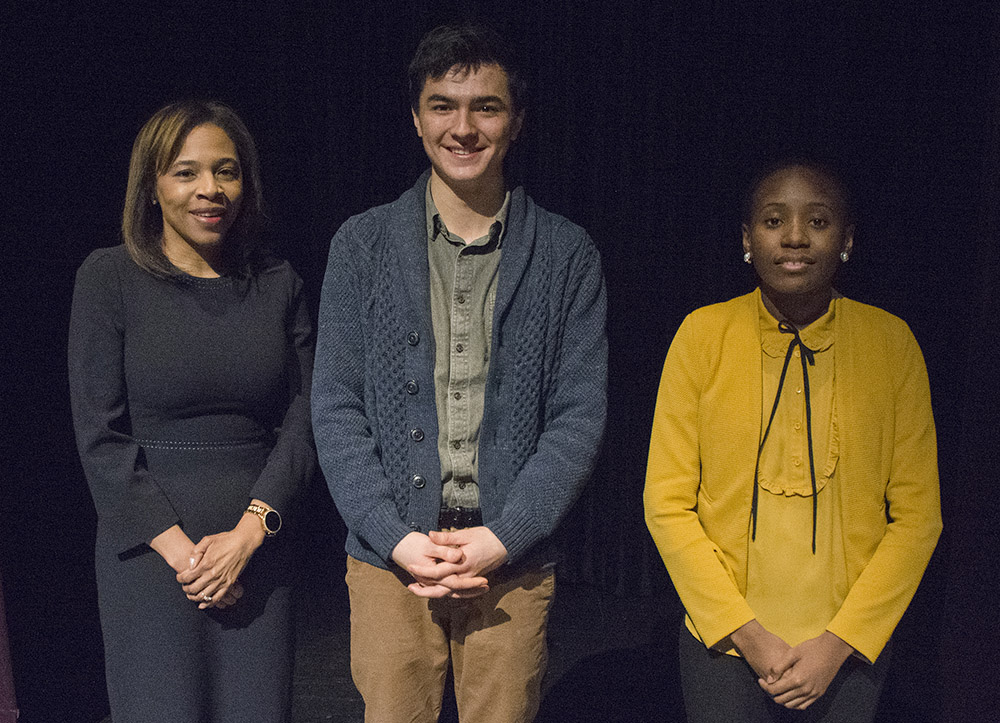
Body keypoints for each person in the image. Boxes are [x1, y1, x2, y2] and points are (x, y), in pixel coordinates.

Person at [312, 23, 607, 723]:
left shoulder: (567, 255)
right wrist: (396, 535)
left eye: (487, 106)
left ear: (516, 121)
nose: (463, 126)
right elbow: (335, 407)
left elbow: (578, 414)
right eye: (443, 105)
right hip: (390, 557)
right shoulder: (361, 245)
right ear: (416, 118)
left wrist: (505, 534)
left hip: (511, 559)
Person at [644, 159, 942, 722]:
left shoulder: (891, 344)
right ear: (747, 239)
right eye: (774, 220)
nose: (796, 237)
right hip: (723, 643)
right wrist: (748, 635)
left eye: (819, 222)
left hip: (848, 648)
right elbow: (666, 504)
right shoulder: (701, 335)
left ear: (847, 239)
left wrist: (839, 643)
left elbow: (918, 517)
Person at [69, 100, 315, 722]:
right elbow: (100, 434)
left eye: (226, 171)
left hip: (256, 549)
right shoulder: (108, 278)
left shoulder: (278, 282)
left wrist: (250, 534)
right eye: (186, 172)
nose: (211, 190)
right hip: (151, 555)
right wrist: (191, 559)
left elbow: (308, 414)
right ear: (152, 186)